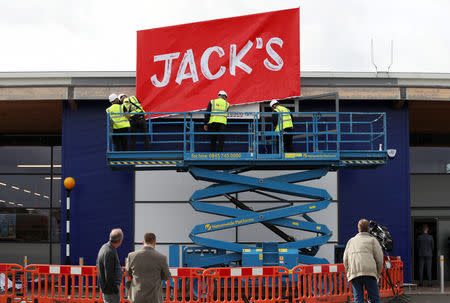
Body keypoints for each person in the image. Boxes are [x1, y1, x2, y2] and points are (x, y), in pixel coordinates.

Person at [343, 219, 384, 303]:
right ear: (368, 228)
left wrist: (348, 272)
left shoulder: (351, 241)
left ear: (358, 228)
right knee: (374, 298)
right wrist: (378, 274)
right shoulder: (372, 240)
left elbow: (345, 259)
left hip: (354, 273)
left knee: (358, 299)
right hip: (370, 272)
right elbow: (380, 259)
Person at [126, 232, 171, 303]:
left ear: (143, 242)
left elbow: (128, 273)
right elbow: (167, 276)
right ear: (154, 242)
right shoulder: (162, 258)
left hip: (136, 296)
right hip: (154, 297)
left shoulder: (131, 256)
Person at [96, 228, 124, 303]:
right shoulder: (109, 252)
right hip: (110, 290)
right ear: (120, 240)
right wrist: (115, 290)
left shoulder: (105, 247)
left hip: (106, 288)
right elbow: (109, 274)